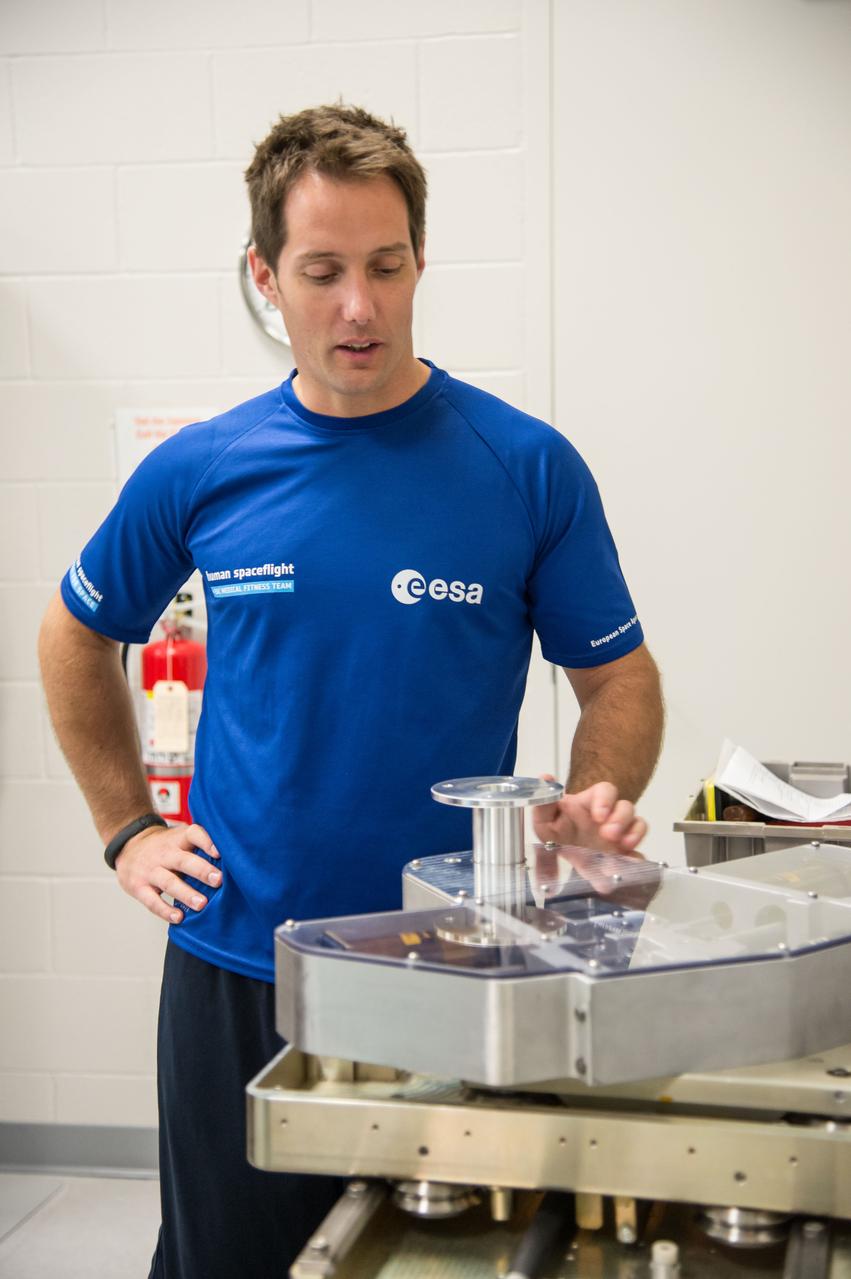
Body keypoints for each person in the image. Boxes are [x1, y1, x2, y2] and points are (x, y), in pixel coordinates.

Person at [39, 104, 664, 1278]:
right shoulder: (205, 467)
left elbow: (617, 677)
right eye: (321, 272)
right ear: (264, 276)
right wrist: (125, 827)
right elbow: (74, 636)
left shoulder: (521, 465)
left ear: (420, 258)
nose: (359, 307)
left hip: (456, 962)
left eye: (385, 266)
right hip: (238, 963)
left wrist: (595, 800)